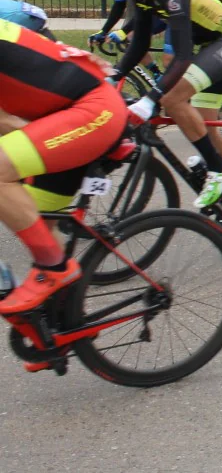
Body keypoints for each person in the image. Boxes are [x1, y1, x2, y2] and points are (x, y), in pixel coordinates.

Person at [103, 0, 222, 207]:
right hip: (211, 45)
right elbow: (138, 46)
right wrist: (112, 76)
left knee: (172, 100)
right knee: (205, 124)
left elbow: (182, 57)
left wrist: (151, 99)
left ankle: (219, 170)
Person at [0, 20, 127, 322]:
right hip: (59, 114)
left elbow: (6, 123)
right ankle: (65, 322)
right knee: (39, 223)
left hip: (91, 110)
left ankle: (55, 270)